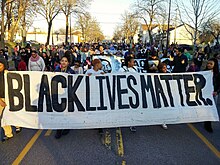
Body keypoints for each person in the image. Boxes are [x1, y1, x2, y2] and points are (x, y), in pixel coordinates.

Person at [54, 56, 75, 139]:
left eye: (65, 61)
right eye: (62, 61)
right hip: (58, 94)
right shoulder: (56, 71)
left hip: (68, 94)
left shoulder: (71, 72)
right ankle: (58, 130)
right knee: (59, 113)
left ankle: (67, 127)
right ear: (60, 62)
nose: (63, 62)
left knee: (67, 112)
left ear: (68, 63)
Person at [85, 59, 104, 134]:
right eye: (100, 64)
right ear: (97, 64)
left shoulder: (101, 72)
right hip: (92, 93)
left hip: (100, 93)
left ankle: (100, 126)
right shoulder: (89, 72)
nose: (101, 65)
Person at [119, 55, 137, 132]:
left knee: (132, 108)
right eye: (133, 62)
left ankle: (131, 123)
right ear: (128, 62)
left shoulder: (135, 69)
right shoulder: (121, 69)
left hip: (132, 92)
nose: (134, 63)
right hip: (123, 91)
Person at [204, 58, 220, 133]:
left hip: (213, 94)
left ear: (214, 65)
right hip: (204, 93)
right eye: (208, 63)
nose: (209, 65)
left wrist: (217, 91)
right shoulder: (204, 72)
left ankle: (208, 124)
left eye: (211, 64)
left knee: (211, 108)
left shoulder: (217, 74)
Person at [158, 63, 170, 130]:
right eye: (163, 68)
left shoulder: (169, 74)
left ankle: (164, 120)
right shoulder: (157, 74)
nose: (165, 69)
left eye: (166, 67)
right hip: (160, 92)